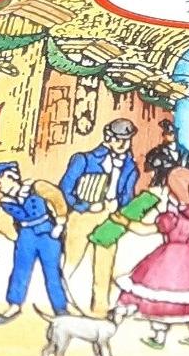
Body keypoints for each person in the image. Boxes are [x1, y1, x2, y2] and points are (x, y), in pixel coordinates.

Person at [115, 167, 189, 349]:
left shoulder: (171, 217)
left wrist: (126, 222)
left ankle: (159, 337)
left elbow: (145, 230)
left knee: (160, 295)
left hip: (169, 259)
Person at [59, 118, 140, 314]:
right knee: (72, 262)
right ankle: (65, 303)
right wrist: (84, 205)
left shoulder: (130, 167)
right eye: (119, 139)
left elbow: (128, 195)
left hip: (111, 217)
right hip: (83, 216)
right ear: (108, 137)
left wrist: (120, 207)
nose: (123, 144)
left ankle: (100, 308)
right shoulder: (84, 159)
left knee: (104, 265)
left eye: (127, 140)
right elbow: (65, 189)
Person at [0, 160, 67, 325]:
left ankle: (60, 308)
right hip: (25, 236)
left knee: (52, 271)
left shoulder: (37, 187)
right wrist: (15, 236)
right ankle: (14, 305)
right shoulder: (5, 203)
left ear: (10, 176)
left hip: (47, 232)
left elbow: (57, 197)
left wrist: (60, 222)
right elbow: (2, 221)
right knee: (20, 270)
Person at [144, 119, 181, 189]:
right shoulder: (156, 152)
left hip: (176, 188)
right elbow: (149, 170)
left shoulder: (181, 152)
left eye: (173, 133)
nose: (173, 135)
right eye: (169, 133)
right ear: (164, 135)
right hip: (159, 186)